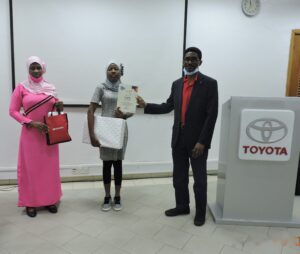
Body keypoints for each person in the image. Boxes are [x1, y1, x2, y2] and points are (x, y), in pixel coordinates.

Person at [137, 47, 218, 226]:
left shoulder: (210, 84)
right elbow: (167, 106)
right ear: (183, 61)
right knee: (179, 177)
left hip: (198, 142)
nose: (189, 62)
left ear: (200, 62)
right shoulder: (177, 84)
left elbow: (211, 116)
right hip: (178, 138)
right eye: (187, 59)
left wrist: (202, 142)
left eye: (193, 59)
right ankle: (182, 206)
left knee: (200, 180)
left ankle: (200, 213)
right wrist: (146, 105)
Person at [9, 56, 63, 217]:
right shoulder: (21, 88)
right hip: (30, 135)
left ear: (43, 68)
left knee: (49, 169)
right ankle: (30, 202)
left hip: (48, 134)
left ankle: (50, 200)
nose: (36, 70)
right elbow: (12, 111)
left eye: (38, 67)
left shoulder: (50, 87)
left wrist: (59, 105)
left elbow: (54, 108)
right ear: (28, 69)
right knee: (30, 170)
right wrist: (31, 123)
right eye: (32, 67)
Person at [87, 61, 132, 211]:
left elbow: (131, 111)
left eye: (116, 69)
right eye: (110, 69)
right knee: (106, 164)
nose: (113, 71)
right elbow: (90, 110)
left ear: (120, 71)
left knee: (118, 163)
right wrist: (92, 134)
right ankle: (107, 196)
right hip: (105, 130)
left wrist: (124, 114)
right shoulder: (100, 87)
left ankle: (118, 196)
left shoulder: (126, 88)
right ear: (106, 71)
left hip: (120, 129)